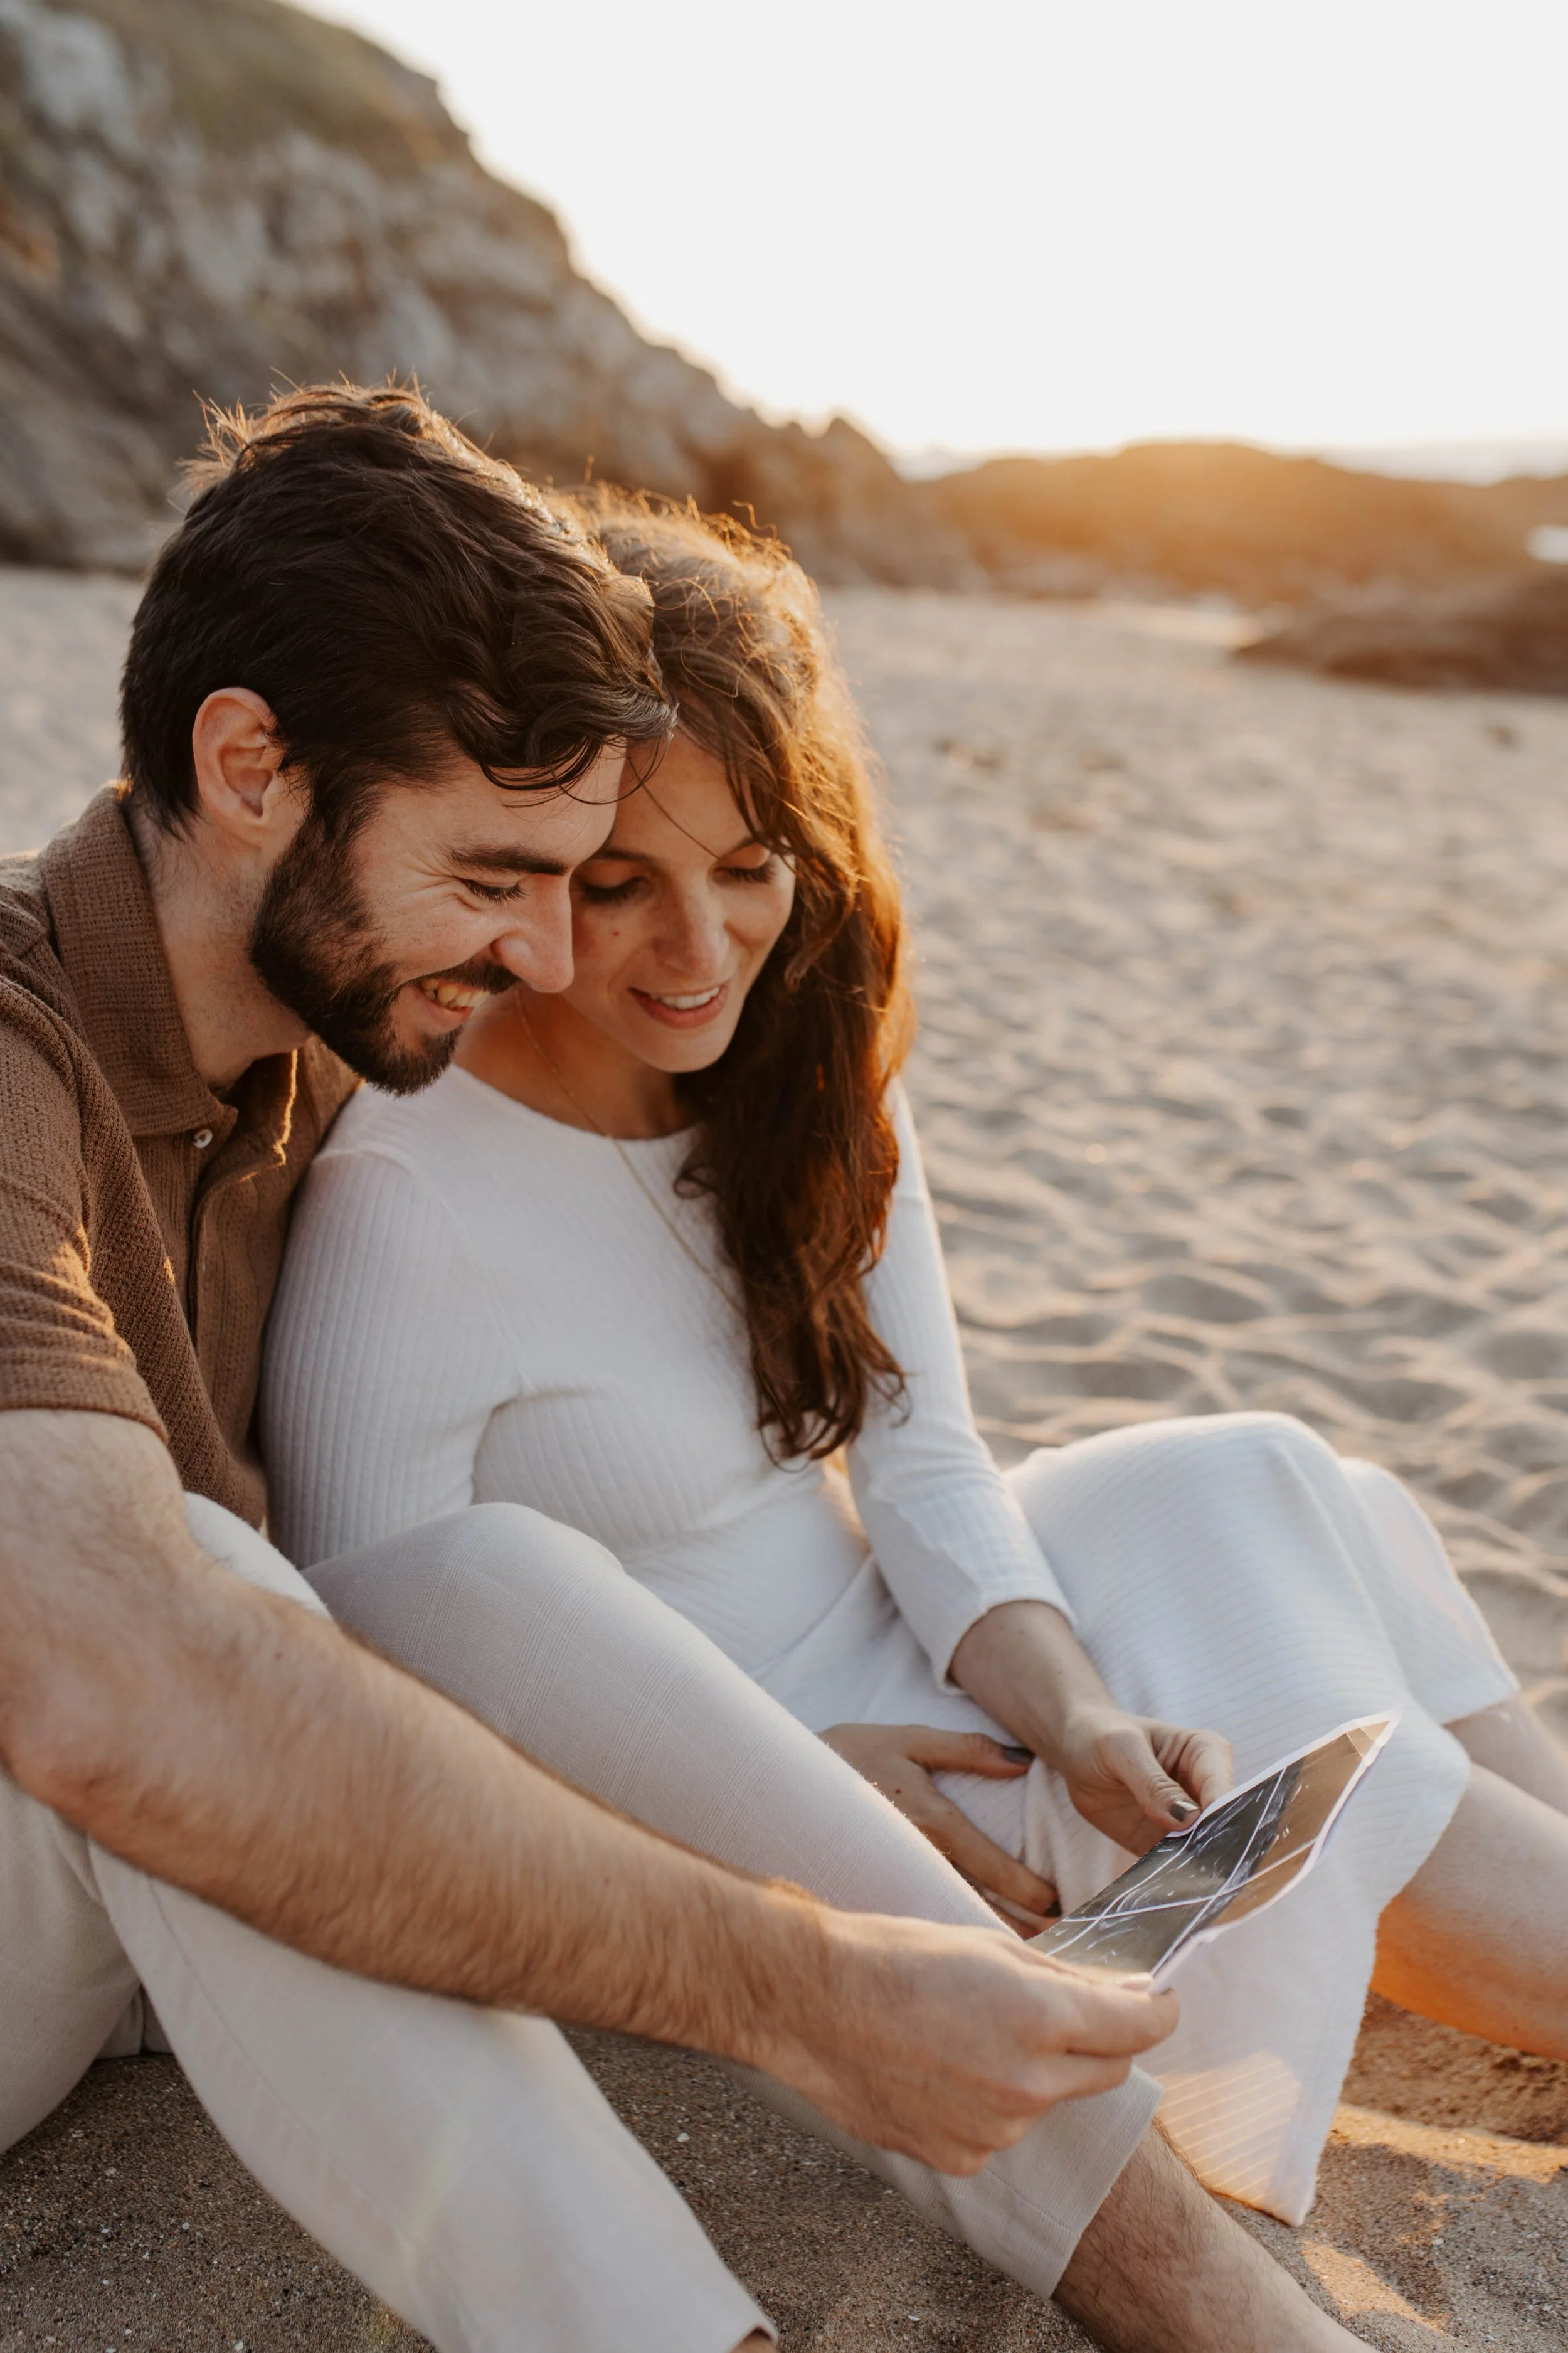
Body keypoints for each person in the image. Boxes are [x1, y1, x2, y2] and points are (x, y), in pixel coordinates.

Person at [0, 381, 1214, 2353]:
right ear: (247, 766)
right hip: (43, 1873)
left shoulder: (317, 1035)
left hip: (159, 1944)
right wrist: (800, 1981)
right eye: (494, 879)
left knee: (302, 1663)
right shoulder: (15, 1058)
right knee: (226, 1637)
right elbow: (122, 1684)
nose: (547, 963)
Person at [264, 493, 1568, 2322]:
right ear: (532, 855)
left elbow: (925, 1453)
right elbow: (360, 1669)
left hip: (925, 1640)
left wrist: (1073, 1700)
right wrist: (791, 1785)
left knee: (1281, 1478)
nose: (694, 945)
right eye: (616, 880)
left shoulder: (803, 1072)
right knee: (1309, 1704)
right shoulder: (411, 1197)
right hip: (737, 1768)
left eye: (746, 864)